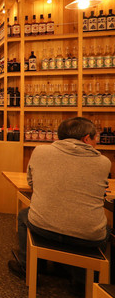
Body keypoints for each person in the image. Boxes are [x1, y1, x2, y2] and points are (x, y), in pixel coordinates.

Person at [8, 117, 111, 280]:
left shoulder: (40, 151)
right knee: (106, 230)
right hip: (88, 238)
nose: (96, 142)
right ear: (86, 139)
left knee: (23, 215)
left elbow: (31, 183)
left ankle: (28, 267)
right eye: (95, 138)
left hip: (42, 227)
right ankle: (85, 280)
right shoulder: (104, 162)